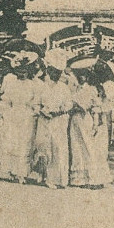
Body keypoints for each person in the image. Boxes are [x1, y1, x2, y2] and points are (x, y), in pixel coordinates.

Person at [35, 54, 74, 188]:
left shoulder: (63, 88)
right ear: (48, 71)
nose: (56, 75)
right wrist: (42, 111)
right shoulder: (42, 87)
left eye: (58, 73)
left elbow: (69, 104)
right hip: (44, 121)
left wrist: (60, 111)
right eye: (54, 72)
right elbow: (35, 104)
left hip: (58, 121)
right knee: (43, 147)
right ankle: (43, 175)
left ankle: (57, 178)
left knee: (58, 148)